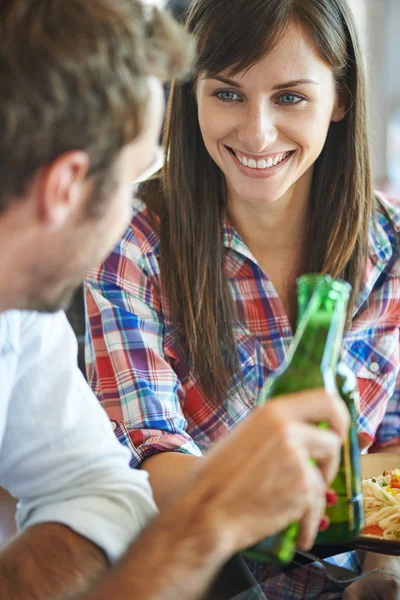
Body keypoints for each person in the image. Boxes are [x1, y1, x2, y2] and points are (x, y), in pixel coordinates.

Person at [0, 1, 349, 599]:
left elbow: (95, 487)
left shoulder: (22, 317)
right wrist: (211, 515)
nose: (135, 210)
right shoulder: (134, 248)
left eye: (289, 96)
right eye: (138, 173)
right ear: (64, 188)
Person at [85, 0, 400, 598]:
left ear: (341, 100)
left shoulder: (392, 248)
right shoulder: (131, 242)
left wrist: (381, 576)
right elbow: (150, 468)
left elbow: (391, 455)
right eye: (227, 94)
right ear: (190, 93)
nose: (256, 132)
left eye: (290, 97)